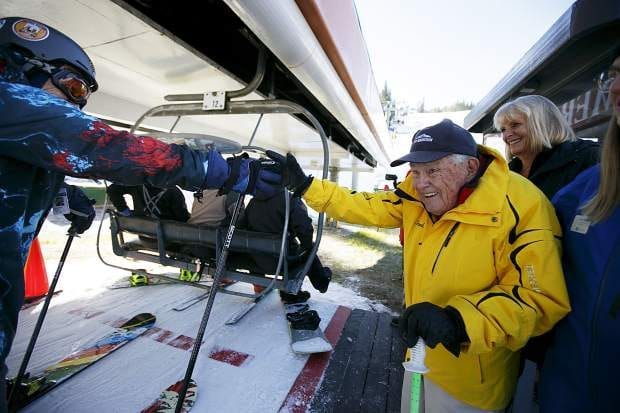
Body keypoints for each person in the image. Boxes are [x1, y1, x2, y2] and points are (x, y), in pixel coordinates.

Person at [0, 17, 280, 410]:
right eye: (74, 87)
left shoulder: (18, 126)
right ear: (21, 64)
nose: (77, 104)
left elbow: (25, 164)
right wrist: (223, 170)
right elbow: (102, 146)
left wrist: (63, 195)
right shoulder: (10, 99)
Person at [268, 119, 570, 412]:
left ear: (470, 167)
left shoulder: (522, 205)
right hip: (418, 358)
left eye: (433, 170)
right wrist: (306, 187)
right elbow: (366, 205)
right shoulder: (415, 194)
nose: (421, 183)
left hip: (470, 379)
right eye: (415, 171)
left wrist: (459, 321)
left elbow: (538, 296)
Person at [538, 51, 620, 413]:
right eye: (613, 76)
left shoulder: (577, 162)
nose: (616, 88)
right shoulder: (590, 186)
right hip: (564, 391)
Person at [493, 94, 599, 199]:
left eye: (515, 125)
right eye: (503, 129)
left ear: (543, 124)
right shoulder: (504, 175)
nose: (507, 135)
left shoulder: (587, 157)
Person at [239, 187, 331, 294]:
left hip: (255, 259)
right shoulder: (290, 199)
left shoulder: (253, 201)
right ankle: (321, 283)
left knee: (255, 243)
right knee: (309, 250)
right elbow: (305, 228)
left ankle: (260, 285)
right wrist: (306, 246)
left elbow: (242, 227)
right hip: (282, 262)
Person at [107, 183, 190, 222]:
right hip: (168, 240)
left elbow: (112, 189)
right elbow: (182, 217)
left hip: (143, 234)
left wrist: (125, 212)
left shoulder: (136, 184)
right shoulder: (174, 191)